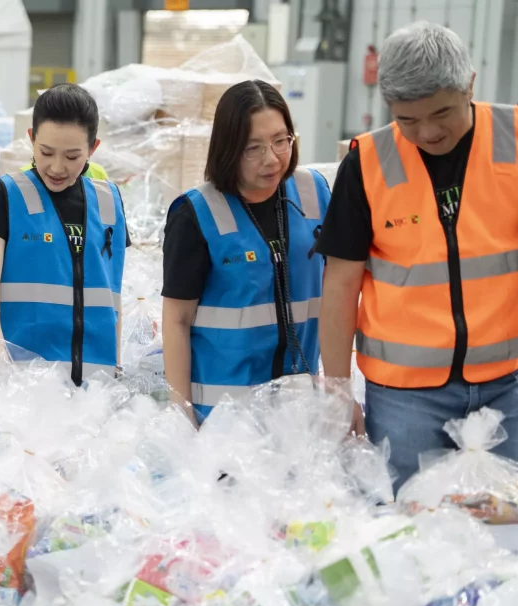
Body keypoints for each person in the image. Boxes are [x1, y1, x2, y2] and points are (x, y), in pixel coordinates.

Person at [316, 21, 518, 488]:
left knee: (505, 517)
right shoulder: (368, 162)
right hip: (406, 397)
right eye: (407, 120)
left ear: (469, 85)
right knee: (408, 514)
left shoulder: (512, 139)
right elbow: (341, 284)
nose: (428, 131)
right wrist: (338, 390)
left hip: (508, 384)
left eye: (442, 112)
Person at [162, 80, 330, 426]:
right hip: (224, 420)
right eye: (253, 148)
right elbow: (177, 320)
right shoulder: (197, 214)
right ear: (228, 149)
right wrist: (181, 414)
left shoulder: (315, 193)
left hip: (298, 413)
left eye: (280, 141)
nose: (272, 159)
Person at [0, 84, 129, 386]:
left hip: (93, 379)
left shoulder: (109, 202)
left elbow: (113, 291)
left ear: (93, 148)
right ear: (31, 139)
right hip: (20, 378)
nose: (57, 167)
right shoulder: (8, 195)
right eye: (46, 152)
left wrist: (117, 362)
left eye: (72, 156)